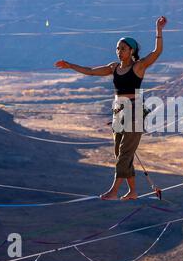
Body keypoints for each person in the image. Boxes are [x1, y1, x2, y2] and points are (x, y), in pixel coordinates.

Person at [55, 16, 167, 200]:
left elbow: (157, 52)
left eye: (123, 48)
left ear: (132, 51)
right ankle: (132, 191)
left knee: (124, 153)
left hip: (134, 112)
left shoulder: (139, 67)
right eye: (117, 48)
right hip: (118, 112)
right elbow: (91, 71)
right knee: (120, 152)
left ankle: (114, 191)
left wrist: (159, 29)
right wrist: (70, 66)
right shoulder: (113, 68)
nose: (119, 51)